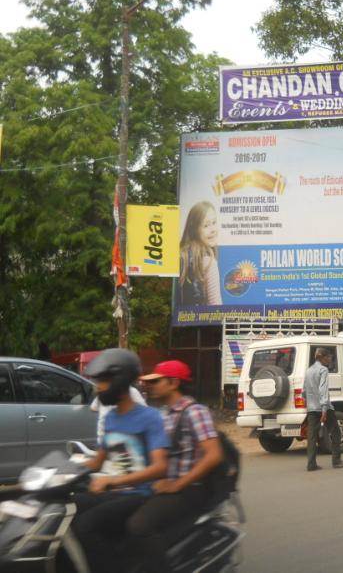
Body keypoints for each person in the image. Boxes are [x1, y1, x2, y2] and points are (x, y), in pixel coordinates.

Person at [72, 349, 169, 573]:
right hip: (114, 491)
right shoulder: (111, 418)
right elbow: (97, 463)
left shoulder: (150, 417)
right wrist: (57, 471)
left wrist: (113, 481)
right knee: (64, 508)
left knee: (84, 526)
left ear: (120, 382)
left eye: (103, 382)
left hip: (140, 494)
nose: (98, 388)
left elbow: (160, 467)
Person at [131, 360, 223, 573]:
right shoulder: (164, 415)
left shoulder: (195, 412)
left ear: (173, 383)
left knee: (138, 526)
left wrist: (178, 484)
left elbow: (213, 455)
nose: (150, 386)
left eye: (156, 381)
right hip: (165, 486)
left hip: (189, 489)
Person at [304, 348, 343, 471]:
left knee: (312, 437)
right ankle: (336, 460)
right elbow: (323, 389)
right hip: (324, 408)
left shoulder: (308, 371)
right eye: (329, 357)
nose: (330, 359)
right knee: (335, 433)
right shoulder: (323, 370)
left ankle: (311, 464)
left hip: (311, 408)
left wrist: (307, 405)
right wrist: (324, 409)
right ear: (322, 358)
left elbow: (304, 391)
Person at [178, 201, 221, 307]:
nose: (213, 230)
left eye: (214, 222)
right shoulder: (208, 261)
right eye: (206, 225)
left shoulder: (181, 254)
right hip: (202, 322)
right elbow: (215, 308)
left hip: (181, 320)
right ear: (195, 229)